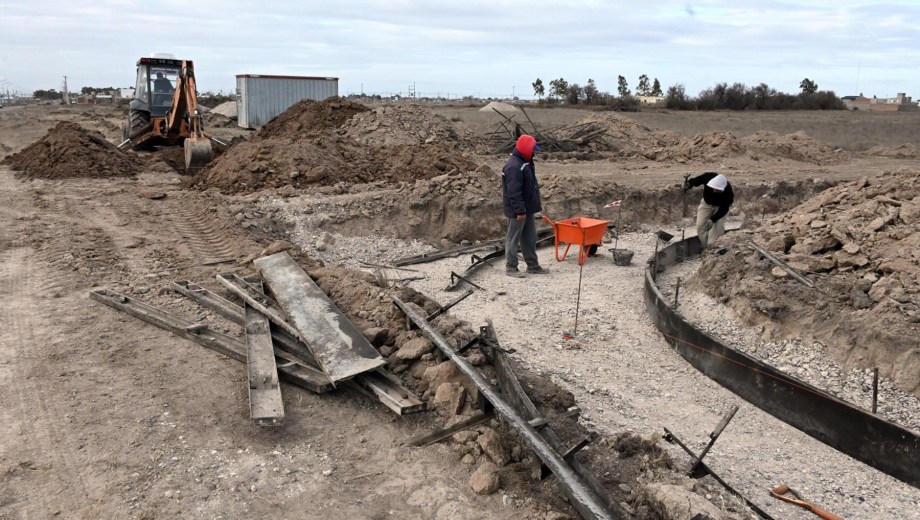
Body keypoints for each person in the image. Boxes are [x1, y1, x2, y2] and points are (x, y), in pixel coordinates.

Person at [503, 134, 549, 277]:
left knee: (529, 237)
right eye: (532, 149)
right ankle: (511, 268)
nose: (534, 152)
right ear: (526, 149)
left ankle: (533, 266)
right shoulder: (514, 166)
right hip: (519, 211)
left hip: (527, 209)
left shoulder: (525, 162)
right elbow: (513, 192)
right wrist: (520, 211)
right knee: (513, 238)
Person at [684, 172, 733, 248]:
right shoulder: (709, 177)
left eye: (717, 190)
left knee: (716, 230)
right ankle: (706, 249)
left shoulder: (728, 193)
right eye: (713, 188)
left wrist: (712, 219)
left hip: (719, 208)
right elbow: (697, 180)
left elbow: (724, 209)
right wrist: (689, 184)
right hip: (706, 204)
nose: (714, 191)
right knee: (700, 226)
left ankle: (714, 248)